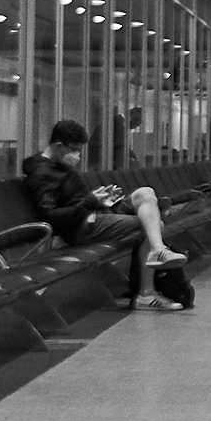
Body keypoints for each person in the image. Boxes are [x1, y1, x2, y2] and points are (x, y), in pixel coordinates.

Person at [23, 119, 189, 312]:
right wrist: (91, 201)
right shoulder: (42, 174)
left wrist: (100, 198)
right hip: (82, 226)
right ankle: (146, 293)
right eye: (74, 150)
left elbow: (74, 199)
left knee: (145, 193)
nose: (77, 155)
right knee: (152, 225)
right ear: (59, 145)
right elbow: (53, 216)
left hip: (96, 213)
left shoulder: (60, 165)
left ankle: (158, 249)